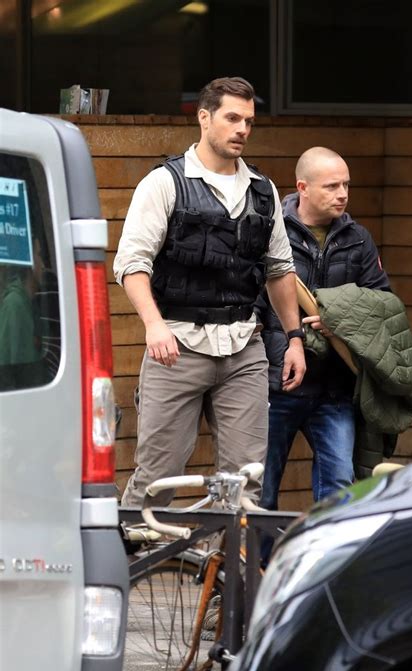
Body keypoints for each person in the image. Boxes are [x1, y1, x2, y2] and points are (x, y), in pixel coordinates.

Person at [114, 76, 306, 508]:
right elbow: (131, 263)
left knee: (244, 481)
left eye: (249, 122)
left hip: (244, 348)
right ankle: (124, 569)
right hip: (177, 345)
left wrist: (294, 339)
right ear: (205, 118)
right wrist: (153, 325)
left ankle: (228, 573)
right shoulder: (164, 183)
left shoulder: (263, 191)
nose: (242, 129)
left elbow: (279, 270)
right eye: (232, 118)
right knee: (157, 476)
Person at [257, 146, 391, 516]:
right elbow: (253, 308)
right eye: (332, 186)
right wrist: (280, 350)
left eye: (346, 185)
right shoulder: (270, 232)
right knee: (261, 493)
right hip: (279, 384)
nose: (343, 194)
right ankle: (259, 571)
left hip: (335, 387)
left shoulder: (358, 238)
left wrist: (341, 319)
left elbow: (382, 301)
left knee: (339, 490)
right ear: (303, 187)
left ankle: (326, 572)